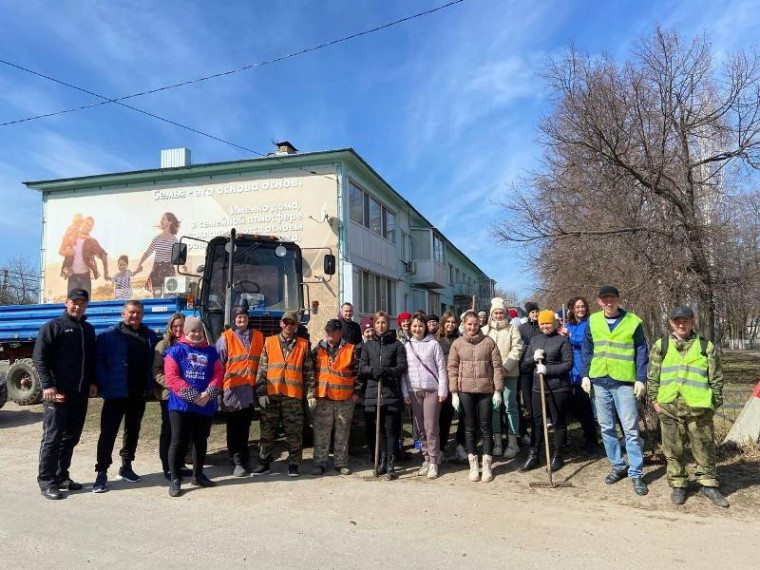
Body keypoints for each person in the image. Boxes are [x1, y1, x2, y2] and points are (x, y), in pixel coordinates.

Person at [647, 307, 728, 507]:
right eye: (677, 322)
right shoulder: (661, 346)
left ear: (693, 322)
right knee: (672, 449)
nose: (681, 325)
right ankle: (679, 484)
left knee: (704, 447)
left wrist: (714, 403)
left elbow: (716, 378)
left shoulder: (706, 346)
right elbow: (652, 376)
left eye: (685, 321)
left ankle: (708, 483)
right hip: (669, 407)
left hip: (699, 408)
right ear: (671, 323)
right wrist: (655, 403)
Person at [581, 285, 649, 496]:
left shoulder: (633, 321)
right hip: (600, 380)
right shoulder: (592, 321)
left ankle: (636, 473)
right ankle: (618, 465)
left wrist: (640, 378)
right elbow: (587, 350)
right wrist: (585, 374)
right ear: (599, 302)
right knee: (606, 428)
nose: (608, 302)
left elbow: (641, 351)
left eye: (612, 298)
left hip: (624, 383)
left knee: (630, 429)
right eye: (604, 299)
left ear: (618, 299)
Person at [33, 288, 97, 500]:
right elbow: (40, 358)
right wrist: (48, 385)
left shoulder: (88, 329)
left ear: (86, 305)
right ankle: (47, 481)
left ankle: (61, 476)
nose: (77, 306)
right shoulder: (53, 327)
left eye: (82, 302)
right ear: (66, 302)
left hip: (79, 393)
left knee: (71, 436)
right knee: (53, 437)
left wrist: (93, 382)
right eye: (74, 302)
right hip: (57, 393)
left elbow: (90, 360)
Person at [91, 300, 157, 493]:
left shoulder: (150, 336)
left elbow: (155, 362)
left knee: (132, 431)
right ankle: (101, 472)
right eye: (131, 312)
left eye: (138, 313)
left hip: (138, 394)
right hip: (115, 394)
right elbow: (98, 362)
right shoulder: (109, 335)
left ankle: (126, 466)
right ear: (123, 314)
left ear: (142, 315)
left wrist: (151, 386)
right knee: (108, 433)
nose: (134, 315)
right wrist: (105, 382)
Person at [164, 315, 224, 497]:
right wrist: (192, 395)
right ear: (186, 332)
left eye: (199, 330)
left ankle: (198, 475)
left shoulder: (211, 352)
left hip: (204, 404)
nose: (197, 334)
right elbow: (172, 377)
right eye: (193, 331)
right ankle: (175, 479)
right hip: (181, 405)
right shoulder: (176, 351)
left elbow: (219, 373)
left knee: (200, 440)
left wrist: (209, 393)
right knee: (178, 441)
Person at [254, 311, 315, 477]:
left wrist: (310, 395)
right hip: (271, 395)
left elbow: (309, 373)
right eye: (286, 322)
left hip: (293, 396)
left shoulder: (303, 345)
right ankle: (264, 462)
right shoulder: (269, 342)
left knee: (294, 432)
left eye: (292, 323)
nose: (289, 326)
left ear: (296, 326)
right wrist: (261, 393)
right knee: (267, 431)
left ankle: (294, 463)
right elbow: (262, 370)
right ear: (281, 323)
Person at [448, 311, 503, 483]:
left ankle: (486, 464)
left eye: (475, 324)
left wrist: (498, 391)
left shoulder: (489, 343)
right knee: (469, 427)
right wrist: (454, 393)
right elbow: (452, 369)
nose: (472, 327)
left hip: (485, 390)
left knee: (486, 427)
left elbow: (497, 367)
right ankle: (473, 464)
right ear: (463, 324)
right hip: (465, 391)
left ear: (480, 325)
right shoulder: (457, 344)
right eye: (469, 324)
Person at [519, 310, 574, 472]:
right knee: (537, 422)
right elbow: (524, 365)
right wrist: (533, 359)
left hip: (558, 388)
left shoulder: (562, 341)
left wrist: (547, 369)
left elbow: (568, 364)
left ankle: (557, 455)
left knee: (558, 422)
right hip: (538, 388)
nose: (545, 326)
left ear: (554, 324)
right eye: (542, 323)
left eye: (548, 323)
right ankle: (534, 454)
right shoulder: (535, 340)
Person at [216, 302, 264, 476]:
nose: (241, 319)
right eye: (238, 317)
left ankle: (244, 458)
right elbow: (218, 365)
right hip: (233, 391)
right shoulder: (225, 338)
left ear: (248, 318)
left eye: (244, 316)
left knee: (245, 426)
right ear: (234, 319)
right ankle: (236, 461)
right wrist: (218, 392)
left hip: (250, 391)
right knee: (234, 427)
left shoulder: (258, 336)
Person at [359, 311, 407, 479]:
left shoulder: (397, 345)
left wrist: (385, 371)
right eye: (377, 323)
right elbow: (362, 367)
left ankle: (391, 463)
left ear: (388, 324)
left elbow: (401, 367)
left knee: (391, 430)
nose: (380, 326)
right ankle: (381, 461)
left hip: (391, 392)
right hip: (374, 392)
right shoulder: (368, 345)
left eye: (383, 323)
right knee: (379, 431)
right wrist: (373, 370)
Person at [311, 319, 361, 476]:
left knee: (342, 432)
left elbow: (359, 374)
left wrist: (356, 394)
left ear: (340, 333)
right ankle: (319, 463)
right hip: (323, 398)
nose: (329, 334)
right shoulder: (317, 350)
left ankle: (341, 463)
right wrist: (311, 394)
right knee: (321, 432)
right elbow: (309, 372)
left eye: (332, 331)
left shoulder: (351, 349)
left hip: (345, 400)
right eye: (327, 331)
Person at [403, 315, 448, 479]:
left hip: (432, 390)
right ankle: (426, 459)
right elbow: (404, 372)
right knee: (420, 427)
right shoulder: (407, 346)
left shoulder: (433, 344)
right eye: (414, 326)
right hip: (414, 391)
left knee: (431, 427)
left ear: (425, 327)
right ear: (410, 328)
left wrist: (443, 390)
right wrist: (405, 392)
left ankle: (434, 462)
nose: (417, 329)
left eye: (420, 326)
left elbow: (442, 369)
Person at [481, 297, 524, 458]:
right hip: (490, 376)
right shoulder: (485, 330)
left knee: (510, 406)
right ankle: (497, 441)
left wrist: (506, 367)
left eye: (501, 313)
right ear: (492, 314)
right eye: (496, 313)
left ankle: (513, 442)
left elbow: (518, 348)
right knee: (494, 407)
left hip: (509, 374)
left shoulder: (512, 329)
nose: (498, 315)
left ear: (505, 313)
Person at [152, 312, 193, 480]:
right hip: (169, 395)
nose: (178, 329)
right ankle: (167, 466)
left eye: (181, 326)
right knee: (169, 431)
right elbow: (156, 371)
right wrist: (174, 385)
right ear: (170, 327)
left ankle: (180, 463)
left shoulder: (190, 344)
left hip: (187, 395)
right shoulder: (163, 345)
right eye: (175, 326)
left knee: (184, 431)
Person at [563, 297, 599, 454]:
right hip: (569, 372)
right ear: (571, 309)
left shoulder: (590, 323)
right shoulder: (568, 325)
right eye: (577, 307)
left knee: (585, 408)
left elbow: (587, 342)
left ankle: (591, 440)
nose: (580, 309)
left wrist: (569, 335)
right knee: (574, 407)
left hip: (583, 371)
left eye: (583, 306)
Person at [436, 311, 466, 461]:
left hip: (460, 381)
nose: (450, 324)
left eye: (453, 322)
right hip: (443, 383)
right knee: (445, 417)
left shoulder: (460, 339)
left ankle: (460, 445)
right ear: (443, 323)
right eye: (448, 321)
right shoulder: (436, 340)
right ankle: (441, 447)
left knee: (463, 415)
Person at [137, 212, 181, 298]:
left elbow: (178, 256)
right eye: (161, 219)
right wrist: (139, 263)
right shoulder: (156, 239)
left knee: (169, 297)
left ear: (170, 222)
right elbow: (147, 253)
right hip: (157, 270)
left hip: (169, 271)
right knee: (156, 296)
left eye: (163, 219)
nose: (161, 221)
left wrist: (183, 266)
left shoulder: (175, 240)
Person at [518, 301, 542, 443]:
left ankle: (540, 425)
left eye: (536, 311)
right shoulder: (522, 328)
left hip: (539, 366)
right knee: (527, 398)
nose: (534, 314)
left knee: (538, 397)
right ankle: (530, 424)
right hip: (526, 367)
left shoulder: (542, 326)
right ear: (528, 314)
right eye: (532, 312)